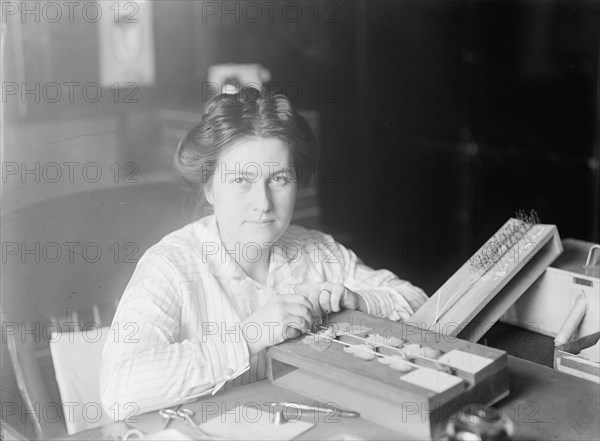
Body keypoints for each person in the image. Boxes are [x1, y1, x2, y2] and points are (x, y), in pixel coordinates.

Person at [100, 87, 427, 417]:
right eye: (242, 179)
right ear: (209, 188)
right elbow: (119, 389)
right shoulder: (170, 265)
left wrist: (360, 302)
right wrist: (248, 336)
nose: (263, 203)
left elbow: (417, 302)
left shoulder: (317, 251)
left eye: (279, 179)